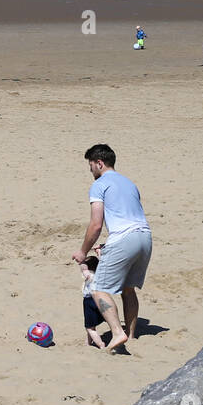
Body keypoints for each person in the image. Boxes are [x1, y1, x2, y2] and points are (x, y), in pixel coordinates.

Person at [72, 144, 152, 352]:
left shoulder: (100, 184)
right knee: (128, 289)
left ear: (99, 163)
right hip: (144, 237)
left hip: (125, 239)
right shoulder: (130, 183)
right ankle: (132, 335)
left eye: (91, 166)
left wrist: (83, 251)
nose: (90, 171)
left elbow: (96, 224)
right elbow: (129, 218)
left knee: (99, 289)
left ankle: (118, 332)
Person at [79, 254, 108, 348]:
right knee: (107, 319)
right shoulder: (100, 274)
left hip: (90, 301)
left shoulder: (89, 275)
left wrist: (82, 261)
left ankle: (101, 344)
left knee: (89, 327)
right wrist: (99, 254)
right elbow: (103, 263)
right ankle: (88, 342)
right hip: (103, 299)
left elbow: (83, 269)